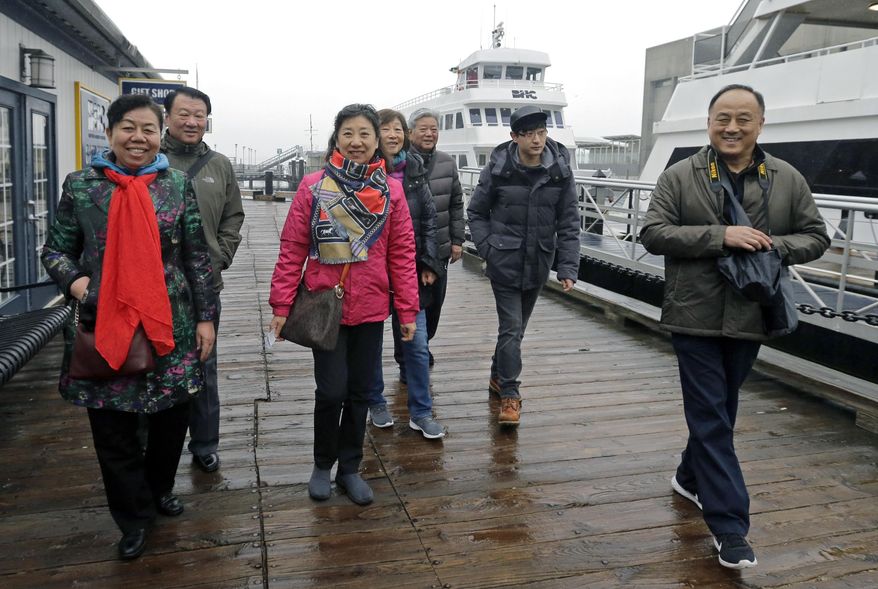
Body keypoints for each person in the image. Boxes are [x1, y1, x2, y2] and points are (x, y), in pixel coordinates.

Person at [640, 84, 830, 570]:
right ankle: (730, 528)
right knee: (711, 414)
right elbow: (653, 232)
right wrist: (721, 236)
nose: (732, 127)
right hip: (694, 315)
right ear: (708, 123)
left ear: (760, 125)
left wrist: (771, 247)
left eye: (744, 119)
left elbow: (815, 237)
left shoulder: (785, 178)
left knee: (719, 410)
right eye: (723, 117)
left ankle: (688, 476)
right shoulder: (681, 175)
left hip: (753, 313)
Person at [41, 93, 217, 560]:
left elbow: (196, 256)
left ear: (160, 136)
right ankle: (133, 517)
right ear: (112, 131)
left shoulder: (175, 185)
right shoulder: (82, 186)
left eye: (149, 130)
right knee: (112, 428)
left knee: (170, 419)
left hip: (171, 325)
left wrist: (206, 319)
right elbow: (55, 250)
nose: (138, 138)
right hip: (106, 324)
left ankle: (158, 490)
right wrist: (80, 286)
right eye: (129, 128)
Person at [268, 104, 419, 506]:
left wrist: (407, 310)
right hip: (325, 304)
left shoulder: (393, 191)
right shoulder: (314, 186)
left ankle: (350, 468)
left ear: (376, 142)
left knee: (361, 392)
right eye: (348, 133)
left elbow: (403, 254)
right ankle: (322, 463)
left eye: (365, 134)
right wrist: (281, 305)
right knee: (331, 390)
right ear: (336, 138)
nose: (356, 141)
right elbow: (293, 248)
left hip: (371, 307)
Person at [466, 105, 580, 426]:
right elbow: (476, 212)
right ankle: (510, 394)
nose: (536, 140)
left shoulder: (560, 171)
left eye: (541, 132)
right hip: (503, 261)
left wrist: (568, 267)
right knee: (512, 328)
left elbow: (570, 222)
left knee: (516, 331)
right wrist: (488, 248)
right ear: (514, 136)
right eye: (528, 134)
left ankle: (496, 374)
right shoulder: (499, 170)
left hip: (539, 262)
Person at [161, 86, 244, 474]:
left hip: (204, 285)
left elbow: (233, 217)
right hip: (154, 286)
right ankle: (155, 444)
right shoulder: (150, 159)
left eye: (200, 115)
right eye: (184, 114)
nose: (192, 122)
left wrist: (221, 256)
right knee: (152, 363)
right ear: (167, 116)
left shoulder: (220, 164)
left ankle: (205, 442)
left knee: (203, 364)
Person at [367, 108, 445, 439]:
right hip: (370, 273)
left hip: (409, 270)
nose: (393, 134)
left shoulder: (414, 170)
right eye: (386, 129)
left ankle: (421, 411)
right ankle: (375, 402)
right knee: (370, 343)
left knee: (417, 343)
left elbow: (429, 219)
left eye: (398, 129)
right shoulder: (362, 173)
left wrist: (428, 263)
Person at [407, 108, 465, 366]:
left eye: (434, 129)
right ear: (411, 132)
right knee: (410, 306)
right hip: (409, 250)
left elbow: (456, 203)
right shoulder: (401, 162)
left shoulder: (447, 163)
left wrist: (457, 240)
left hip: (440, 250)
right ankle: (409, 356)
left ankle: (423, 343)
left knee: (434, 306)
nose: (430, 134)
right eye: (423, 128)